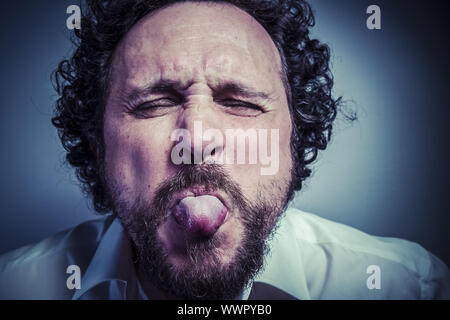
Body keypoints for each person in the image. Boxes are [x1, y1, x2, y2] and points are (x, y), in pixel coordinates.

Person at [0, 0, 448, 300]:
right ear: (98, 148)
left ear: (296, 140)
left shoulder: (409, 287)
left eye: (240, 102)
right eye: (155, 104)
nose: (196, 138)